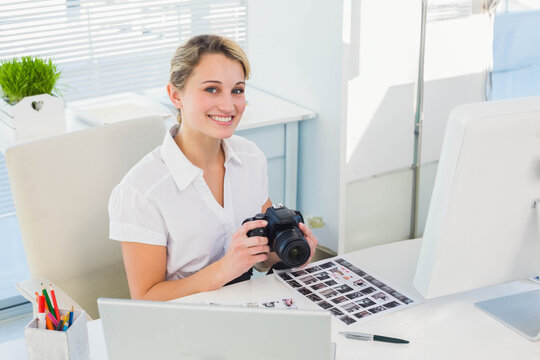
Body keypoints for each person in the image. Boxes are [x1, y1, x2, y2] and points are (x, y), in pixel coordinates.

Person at [108, 34, 318, 301]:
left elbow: (262, 258)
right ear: (175, 95)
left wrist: (290, 250)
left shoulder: (251, 158)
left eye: (237, 90)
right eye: (211, 89)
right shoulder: (141, 191)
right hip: (182, 325)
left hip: (247, 307)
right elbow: (146, 298)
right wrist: (225, 269)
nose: (229, 106)